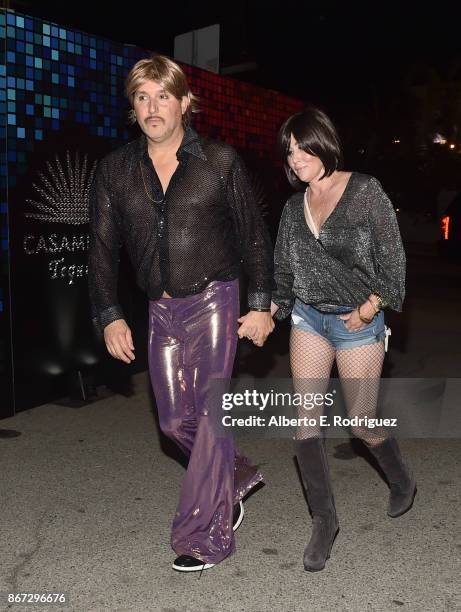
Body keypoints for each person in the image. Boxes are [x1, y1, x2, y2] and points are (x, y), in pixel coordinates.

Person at [88, 55, 274, 572]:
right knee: (173, 422)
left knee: (211, 415)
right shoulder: (115, 170)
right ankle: (230, 477)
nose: (153, 107)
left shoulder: (218, 162)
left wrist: (260, 304)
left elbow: (254, 238)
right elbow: (102, 250)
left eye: (163, 96)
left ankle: (202, 536)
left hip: (216, 297)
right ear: (132, 106)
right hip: (160, 310)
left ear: (184, 102)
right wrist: (108, 313)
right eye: (142, 97)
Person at [271, 107, 416, 572]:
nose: (295, 158)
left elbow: (393, 262)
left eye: (301, 147)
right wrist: (263, 313)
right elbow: (283, 276)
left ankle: (401, 481)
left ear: (323, 142)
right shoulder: (294, 208)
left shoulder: (365, 191)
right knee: (304, 421)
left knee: (360, 422)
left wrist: (370, 308)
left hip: (357, 323)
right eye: (288, 151)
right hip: (310, 319)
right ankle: (324, 521)